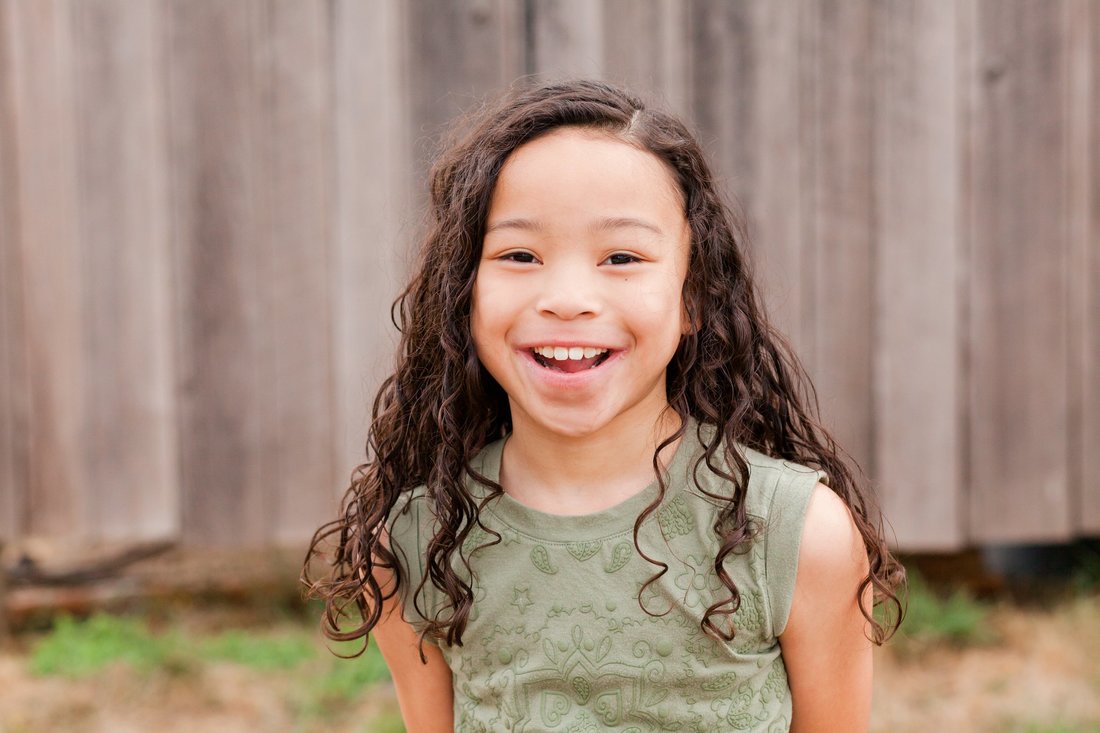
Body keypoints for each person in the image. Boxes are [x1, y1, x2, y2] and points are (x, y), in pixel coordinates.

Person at [303, 79, 904, 733]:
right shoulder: (419, 544)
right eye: (519, 254)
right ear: (463, 293)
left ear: (692, 296)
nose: (567, 297)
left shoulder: (796, 535)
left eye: (621, 256)